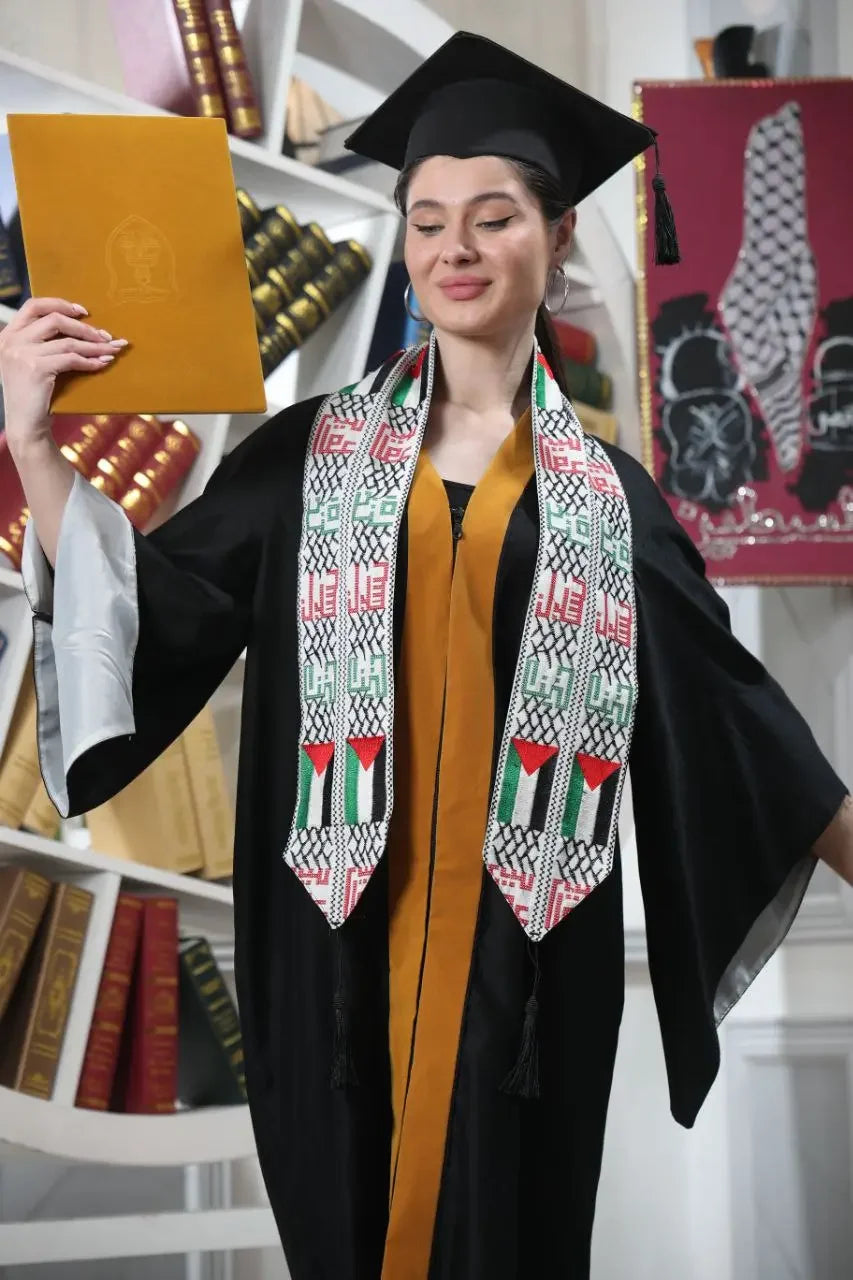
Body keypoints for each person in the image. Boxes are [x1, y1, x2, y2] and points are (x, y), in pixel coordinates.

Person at [1, 30, 851, 1280]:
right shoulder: (305, 457)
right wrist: (35, 449)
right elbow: (154, 608)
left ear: (556, 240)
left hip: (529, 972)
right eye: (428, 217)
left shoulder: (610, 501)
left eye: (494, 215)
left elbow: (741, 723)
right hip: (326, 955)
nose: (454, 246)